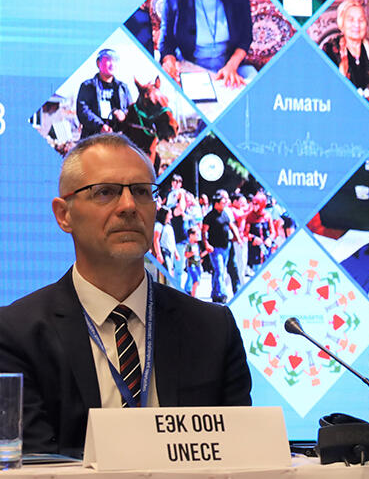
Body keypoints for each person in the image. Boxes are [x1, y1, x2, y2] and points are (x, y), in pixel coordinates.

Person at [0, 133, 251, 456]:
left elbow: (243, 456)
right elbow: (34, 468)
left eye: (142, 192)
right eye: (105, 192)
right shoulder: (16, 333)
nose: (129, 206)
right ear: (64, 215)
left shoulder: (213, 328)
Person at [160, 0, 257, 88]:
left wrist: (231, 65)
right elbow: (166, 41)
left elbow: (246, 36)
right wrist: (170, 62)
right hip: (191, 67)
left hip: (230, 65)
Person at [77, 48, 133, 138]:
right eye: (108, 60)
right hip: (92, 137)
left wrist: (124, 114)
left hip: (118, 137)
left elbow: (131, 110)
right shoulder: (88, 86)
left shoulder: (123, 88)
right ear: (98, 63)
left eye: (114, 61)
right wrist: (100, 126)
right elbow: (83, 111)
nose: (112, 65)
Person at [202, 189, 241, 303]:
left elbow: (231, 226)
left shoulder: (224, 214)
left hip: (226, 247)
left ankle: (215, 293)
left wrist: (237, 238)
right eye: (223, 203)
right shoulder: (209, 216)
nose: (225, 205)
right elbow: (204, 232)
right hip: (215, 248)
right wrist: (206, 244)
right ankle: (222, 294)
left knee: (219, 270)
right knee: (219, 270)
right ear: (216, 203)